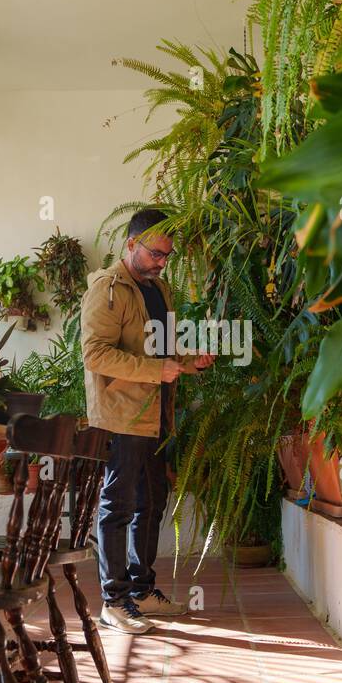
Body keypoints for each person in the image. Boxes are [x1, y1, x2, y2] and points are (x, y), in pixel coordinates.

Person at [79, 208, 214, 633]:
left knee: (152, 504)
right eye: (155, 253)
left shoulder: (159, 289)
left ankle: (140, 590)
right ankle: (112, 601)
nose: (161, 262)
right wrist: (157, 371)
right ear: (132, 244)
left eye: (167, 256)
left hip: (157, 415)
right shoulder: (107, 290)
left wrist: (192, 361)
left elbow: (161, 350)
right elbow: (95, 354)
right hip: (122, 416)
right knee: (117, 506)